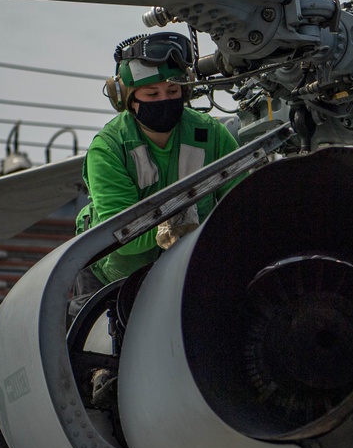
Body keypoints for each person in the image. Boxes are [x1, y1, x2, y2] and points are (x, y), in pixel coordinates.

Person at [73, 31, 240, 298]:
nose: (164, 100)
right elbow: (121, 235)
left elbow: (240, 204)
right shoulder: (109, 148)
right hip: (114, 277)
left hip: (189, 271)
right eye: (151, 94)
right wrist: (169, 228)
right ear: (127, 99)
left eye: (172, 90)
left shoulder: (211, 135)